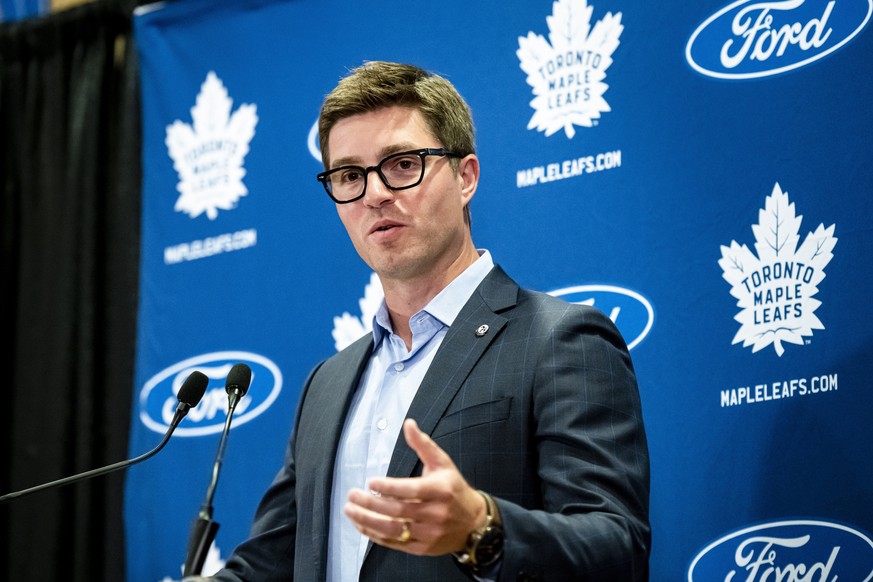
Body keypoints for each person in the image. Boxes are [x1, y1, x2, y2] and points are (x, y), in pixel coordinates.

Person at [203, 60, 650, 581]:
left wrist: (481, 529)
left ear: (466, 177)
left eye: (401, 164)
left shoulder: (559, 340)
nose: (374, 194)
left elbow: (617, 548)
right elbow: (273, 563)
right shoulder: (326, 384)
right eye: (349, 175)